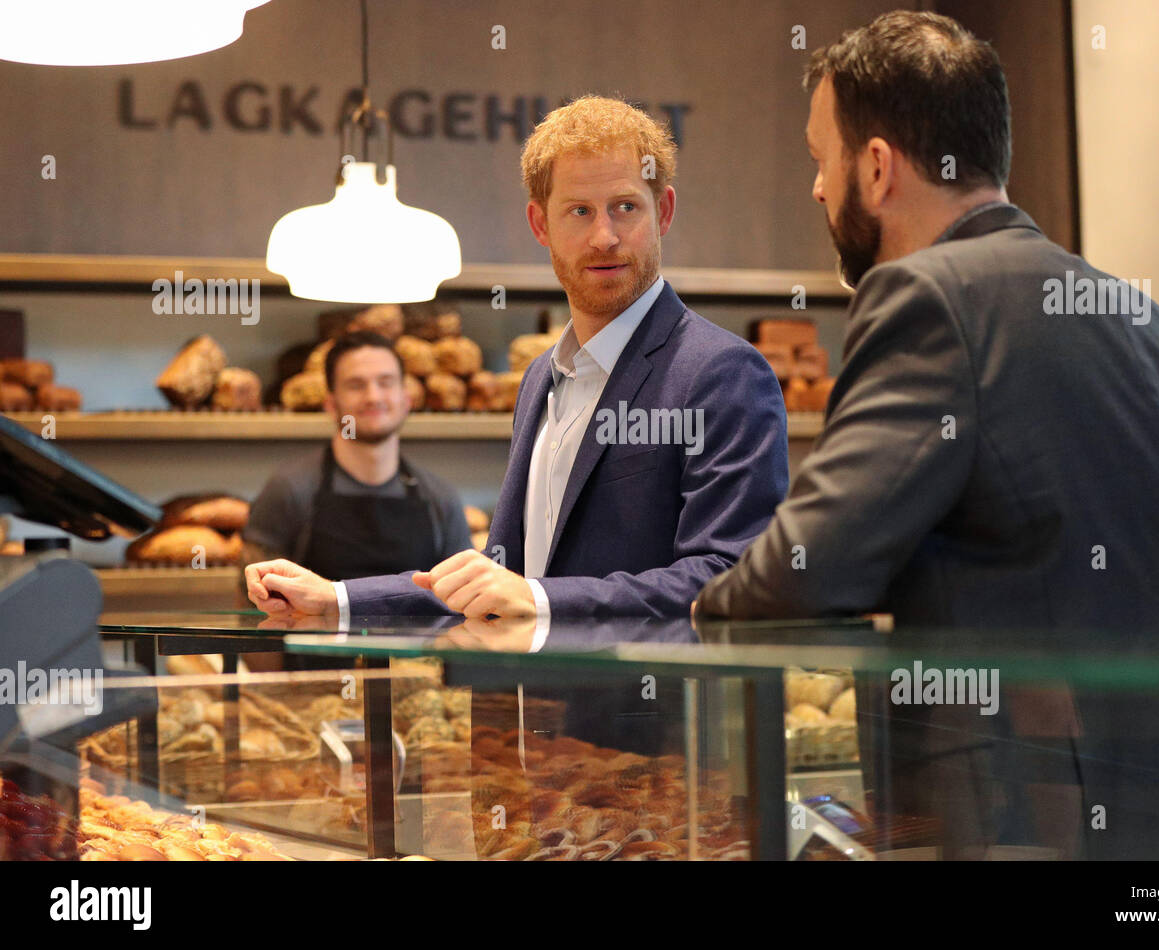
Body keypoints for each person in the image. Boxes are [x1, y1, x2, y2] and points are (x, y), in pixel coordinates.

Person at [694, 11, 1159, 859]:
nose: (815, 188)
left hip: (1021, 830)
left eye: (820, 160)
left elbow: (800, 576)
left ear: (875, 167)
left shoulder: (927, 300)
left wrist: (701, 606)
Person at [244, 96, 788, 648]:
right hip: (526, 719)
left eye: (626, 207)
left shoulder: (722, 373)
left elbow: (729, 574)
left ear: (663, 211)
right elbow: (498, 578)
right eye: (579, 211)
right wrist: (336, 599)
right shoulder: (538, 381)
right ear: (540, 224)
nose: (604, 236)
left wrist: (540, 600)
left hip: (648, 724)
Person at [244, 330, 471, 582]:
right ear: (331, 405)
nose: (373, 397)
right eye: (356, 385)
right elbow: (256, 600)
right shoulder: (289, 490)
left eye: (385, 382)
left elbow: (463, 602)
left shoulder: (440, 498)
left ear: (406, 400)